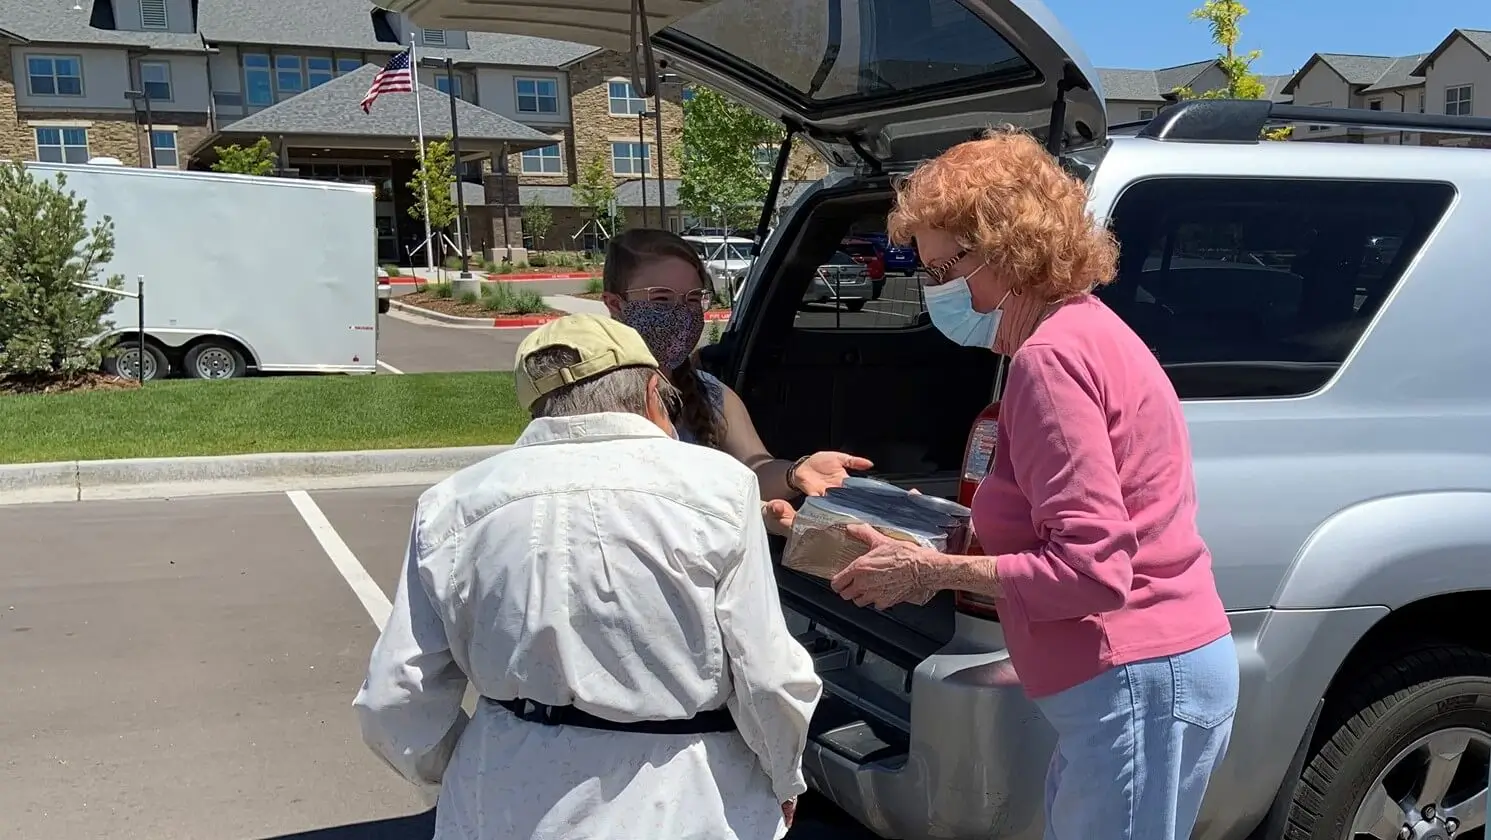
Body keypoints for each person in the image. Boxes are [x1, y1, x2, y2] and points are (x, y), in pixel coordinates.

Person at [829, 129, 1238, 840]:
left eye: (938, 268)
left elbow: (1090, 570)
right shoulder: (1083, 332)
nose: (930, 290)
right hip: (1139, 679)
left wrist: (928, 570)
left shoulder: (1049, 360)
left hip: (1133, 675)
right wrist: (953, 536)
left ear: (1002, 246)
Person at [354, 314, 822, 840]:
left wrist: (478, 758)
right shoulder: (722, 489)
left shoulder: (450, 505)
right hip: (686, 799)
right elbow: (768, 676)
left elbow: (395, 699)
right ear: (651, 391)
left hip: (500, 802)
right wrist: (785, 775)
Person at [602, 228, 871, 531]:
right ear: (615, 303)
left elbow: (755, 469)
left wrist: (795, 473)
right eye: (661, 299)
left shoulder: (710, 393)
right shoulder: (587, 397)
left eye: (692, 299)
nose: (681, 313)